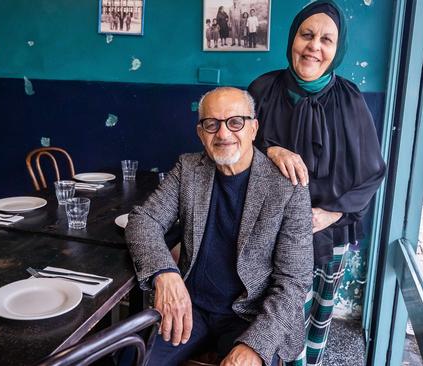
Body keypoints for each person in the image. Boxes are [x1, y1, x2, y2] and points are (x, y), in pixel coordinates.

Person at [126, 87, 314, 366]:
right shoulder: (188, 169)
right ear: (200, 133)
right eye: (211, 124)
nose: (223, 134)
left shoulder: (287, 186)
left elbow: (293, 281)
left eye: (235, 122)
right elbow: (143, 220)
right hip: (190, 307)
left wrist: (255, 345)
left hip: (252, 315)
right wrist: (165, 273)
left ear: (253, 128)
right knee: (133, 359)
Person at [248, 1, 387, 365]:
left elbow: (371, 174)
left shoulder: (349, 100)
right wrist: (272, 149)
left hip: (329, 230)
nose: (314, 46)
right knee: (276, 320)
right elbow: (233, 148)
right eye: (306, 35)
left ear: (337, 50)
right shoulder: (262, 89)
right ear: (292, 38)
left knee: (317, 323)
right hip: (270, 231)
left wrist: (329, 214)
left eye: (327, 39)